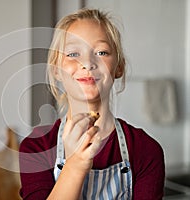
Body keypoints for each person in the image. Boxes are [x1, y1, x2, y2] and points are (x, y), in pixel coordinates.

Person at [19, 8, 165, 200]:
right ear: (56, 70)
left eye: (101, 52)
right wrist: (75, 165)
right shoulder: (36, 148)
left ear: (118, 67)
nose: (87, 63)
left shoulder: (146, 150)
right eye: (72, 54)